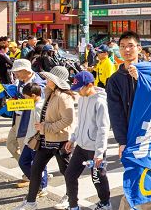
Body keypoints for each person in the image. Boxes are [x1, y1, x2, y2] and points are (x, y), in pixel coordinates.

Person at [106, 31, 151, 210]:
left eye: (130, 46)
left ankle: (141, 205)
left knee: (144, 174)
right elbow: (116, 113)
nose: (127, 50)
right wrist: (121, 141)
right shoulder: (114, 80)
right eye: (122, 47)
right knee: (136, 174)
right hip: (131, 136)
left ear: (139, 48)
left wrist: (140, 80)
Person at [13, 66, 75, 210]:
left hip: (60, 141)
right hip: (46, 140)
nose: (46, 80)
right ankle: (30, 202)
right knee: (35, 170)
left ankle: (70, 198)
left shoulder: (63, 96)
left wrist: (46, 127)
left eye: (49, 78)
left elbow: (68, 119)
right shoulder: (49, 93)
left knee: (66, 172)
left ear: (56, 81)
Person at [65, 71, 111, 210]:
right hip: (81, 145)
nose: (78, 91)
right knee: (70, 175)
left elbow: (103, 128)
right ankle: (73, 206)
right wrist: (73, 139)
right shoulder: (82, 98)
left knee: (97, 178)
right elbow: (81, 122)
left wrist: (99, 152)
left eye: (80, 88)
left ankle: (105, 203)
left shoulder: (100, 102)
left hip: (94, 148)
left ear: (89, 85)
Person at [17, 83, 49, 196]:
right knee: (24, 162)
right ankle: (37, 183)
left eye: (26, 96)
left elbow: (42, 125)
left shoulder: (39, 107)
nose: (25, 98)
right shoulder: (34, 104)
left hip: (37, 140)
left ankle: (42, 186)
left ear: (34, 95)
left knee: (38, 165)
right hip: (30, 139)